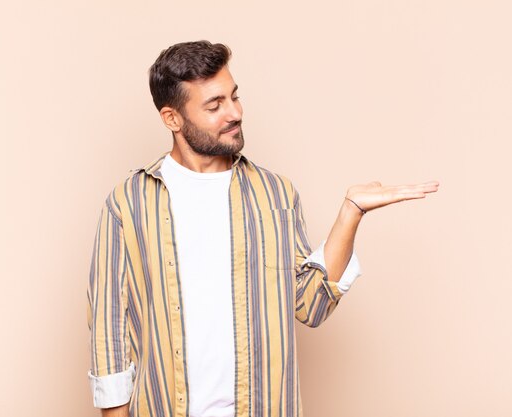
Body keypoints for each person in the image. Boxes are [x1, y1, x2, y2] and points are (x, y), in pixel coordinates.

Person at [87, 40, 438, 417]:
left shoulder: (275, 194)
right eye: (214, 105)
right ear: (172, 118)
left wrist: (350, 214)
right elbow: (109, 329)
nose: (234, 113)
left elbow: (312, 305)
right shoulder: (129, 203)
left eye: (234, 97)